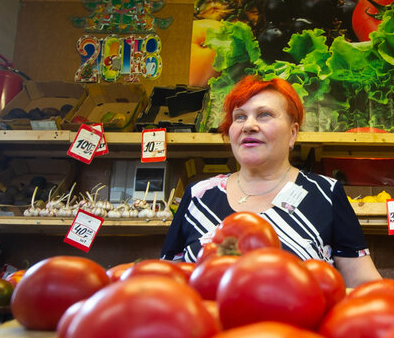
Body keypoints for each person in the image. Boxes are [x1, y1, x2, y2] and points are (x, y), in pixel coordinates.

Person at [161, 75, 382, 287]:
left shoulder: (325, 193)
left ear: (293, 133)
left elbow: (363, 284)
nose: (249, 125)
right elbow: (166, 284)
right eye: (239, 116)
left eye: (264, 114)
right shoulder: (198, 196)